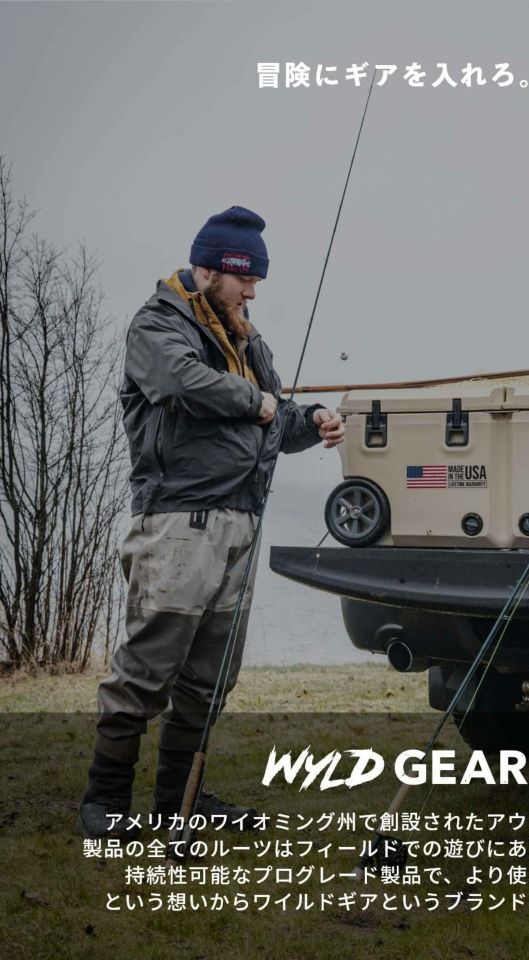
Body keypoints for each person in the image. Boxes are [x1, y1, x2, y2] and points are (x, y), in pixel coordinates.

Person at [79, 206, 344, 836]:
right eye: (244, 279)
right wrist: (260, 402)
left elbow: (275, 418)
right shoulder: (157, 325)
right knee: (146, 670)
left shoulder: (247, 340)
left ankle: (180, 804)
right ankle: (105, 806)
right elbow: (181, 383)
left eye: (255, 281)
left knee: (209, 678)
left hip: (239, 525)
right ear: (208, 270)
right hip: (179, 525)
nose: (252, 292)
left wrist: (312, 421)